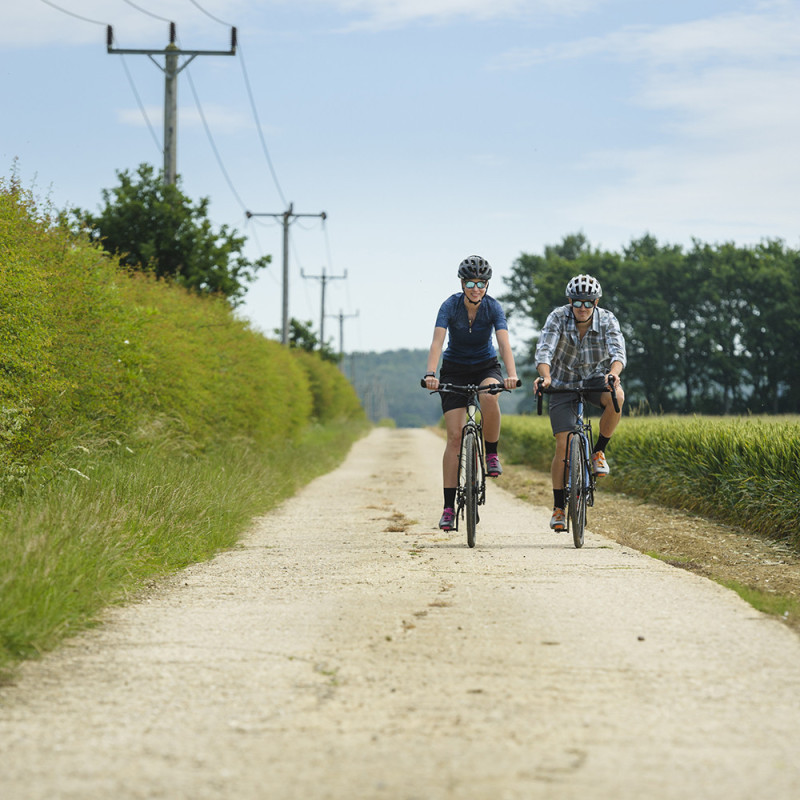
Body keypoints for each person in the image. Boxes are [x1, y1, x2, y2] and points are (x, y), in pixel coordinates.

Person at [423, 255, 519, 531]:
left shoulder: (493, 308)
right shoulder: (449, 306)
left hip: (485, 367)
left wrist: (511, 375)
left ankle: (491, 453)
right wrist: (431, 374)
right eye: (470, 282)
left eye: (481, 283)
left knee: (488, 395)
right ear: (462, 283)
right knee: (454, 437)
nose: (476, 288)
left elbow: (504, 342)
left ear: (487, 284)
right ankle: (448, 508)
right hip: (453, 369)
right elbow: (437, 342)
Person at [534, 273, 626, 532]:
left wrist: (614, 374)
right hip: (562, 381)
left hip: (596, 379)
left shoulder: (607, 319)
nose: (582, 307)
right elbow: (545, 350)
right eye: (577, 302)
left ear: (596, 302)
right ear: (570, 301)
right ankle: (559, 508)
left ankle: (598, 451)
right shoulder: (557, 317)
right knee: (563, 444)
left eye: (588, 302)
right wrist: (546, 377)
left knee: (617, 396)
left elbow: (618, 352)